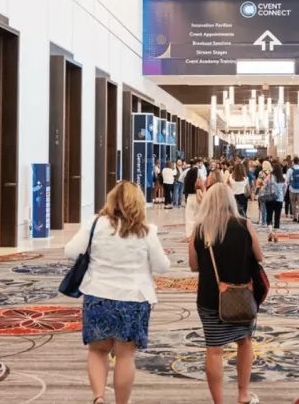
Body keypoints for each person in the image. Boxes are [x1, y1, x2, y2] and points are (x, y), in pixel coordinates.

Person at [64, 181, 171, 404]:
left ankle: (99, 397)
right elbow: (162, 266)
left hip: (98, 296)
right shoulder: (146, 231)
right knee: (125, 356)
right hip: (133, 300)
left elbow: (70, 251)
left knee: (97, 351)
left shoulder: (95, 224)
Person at [188, 184, 263, 404]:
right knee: (245, 342)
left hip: (210, 297)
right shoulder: (244, 225)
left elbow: (193, 266)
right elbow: (259, 256)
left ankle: (219, 402)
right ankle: (242, 395)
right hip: (242, 296)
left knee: (214, 350)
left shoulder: (200, 230)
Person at [264, 163, 286, 242]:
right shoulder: (282, 179)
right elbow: (284, 189)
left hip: (270, 199)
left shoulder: (269, 177)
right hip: (279, 200)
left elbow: (265, 185)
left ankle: (270, 232)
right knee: (277, 217)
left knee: (269, 215)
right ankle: (276, 234)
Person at [184, 167, 204, 239]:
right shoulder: (198, 177)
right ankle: (199, 234)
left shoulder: (189, 177)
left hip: (190, 197)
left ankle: (190, 235)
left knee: (189, 218)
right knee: (199, 216)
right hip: (198, 195)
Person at [286, 156, 299, 224]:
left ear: (293, 162)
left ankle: (295, 217)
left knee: (293, 203)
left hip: (292, 189)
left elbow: (287, 180)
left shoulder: (290, 170)